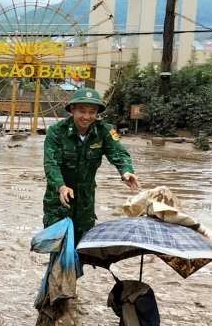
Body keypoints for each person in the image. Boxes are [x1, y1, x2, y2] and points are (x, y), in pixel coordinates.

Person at [42, 88, 139, 243]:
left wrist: (126, 171)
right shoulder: (56, 132)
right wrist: (61, 187)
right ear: (72, 110)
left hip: (85, 205)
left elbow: (119, 153)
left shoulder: (104, 131)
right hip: (58, 202)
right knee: (58, 248)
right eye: (82, 111)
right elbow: (51, 164)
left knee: (83, 248)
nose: (87, 117)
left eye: (92, 112)